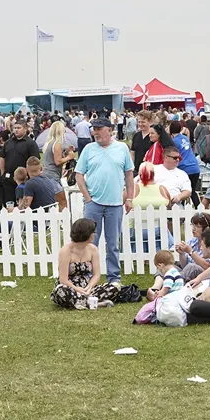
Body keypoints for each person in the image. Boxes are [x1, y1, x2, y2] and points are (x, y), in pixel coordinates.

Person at [74, 119, 135, 287]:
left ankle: (114, 278)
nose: (96, 132)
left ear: (110, 130)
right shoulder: (88, 149)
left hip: (115, 204)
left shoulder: (122, 148)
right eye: (94, 129)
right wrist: (87, 197)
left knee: (113, 243)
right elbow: (79, 174)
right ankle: (87, 276)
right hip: (94, 202)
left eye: (99, 129)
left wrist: (129, 198)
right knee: (89, 242)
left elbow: (129, 175)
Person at [51, 218, 121, 309]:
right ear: (86, 234)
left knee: (115, 286)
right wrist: (77, 289)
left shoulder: (93, 249)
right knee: (61, 290)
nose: (95, 235)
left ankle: (83, 302)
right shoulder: (65, 251)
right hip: (70, 286)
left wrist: (89, 287)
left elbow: (96, 274)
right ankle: (93, 302)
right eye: (93, 233)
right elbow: (63, 280)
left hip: (88, 286)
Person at [168, 121, 200, 206]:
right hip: (195, 167)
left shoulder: (173, 142)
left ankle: (181, 211)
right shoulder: (185, 138)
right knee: (193, 191)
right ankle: (199, 208)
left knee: (182, 191)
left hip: (184, 167)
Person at [175, 212, 210, 281]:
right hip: (189, 273)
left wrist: (190, 252)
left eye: (197, 227)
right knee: (170, 267)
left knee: (192, 267)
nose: (193, 229)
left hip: (205, 275)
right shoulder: (192, 242)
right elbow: (184, 266)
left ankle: (174, 285)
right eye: (193, 225)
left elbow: (207, 266)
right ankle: (156, 287)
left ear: (206, 229)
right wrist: (181, 254)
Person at [41, 120, 75, 186]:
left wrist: (66, 152)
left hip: (46, 173)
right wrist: (69, 157)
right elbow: (58, 161)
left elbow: (55, 156)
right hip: (53, 175)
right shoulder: (57, 144)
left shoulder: (48, 143)